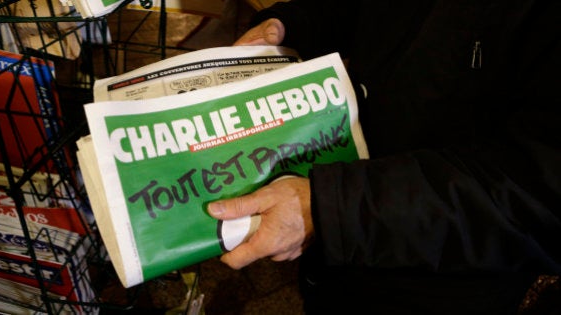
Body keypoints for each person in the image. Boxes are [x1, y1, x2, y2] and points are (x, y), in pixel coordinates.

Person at [206, 0, 561, 314]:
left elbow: (537, 195)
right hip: (338, 227)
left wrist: (331, 208)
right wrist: (290, 25)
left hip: (439, 279)